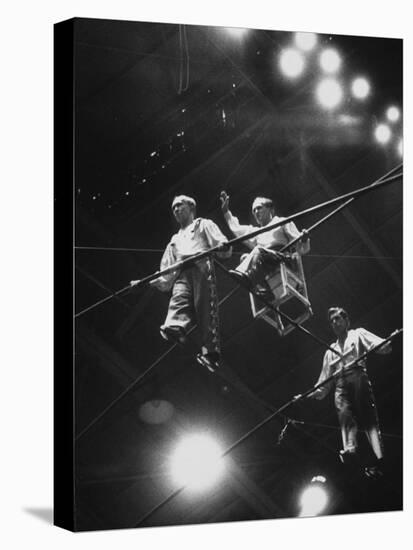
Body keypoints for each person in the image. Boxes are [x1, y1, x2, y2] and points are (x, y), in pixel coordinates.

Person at [132, 195, 231, 372]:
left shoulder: (203, 224)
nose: (176, 209)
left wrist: (223, 246)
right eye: (174, 208)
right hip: (182, 272)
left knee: (205, 308)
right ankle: (175, 327)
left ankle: (210, 353)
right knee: (178, 299)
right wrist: (145, 282)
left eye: (180, 205)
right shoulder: (174, 240)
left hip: (201, 266)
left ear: (191, 208)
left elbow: (221, 243)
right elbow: (165, 272)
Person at [311, 307, 392, 478]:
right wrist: (312, 394)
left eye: (338, 318)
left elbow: (377, 344)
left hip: (357, 375)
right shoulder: (329, 351)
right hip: (340, 382)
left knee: (368, 418)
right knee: (344, 414)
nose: (335, 322)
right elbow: (324, 381)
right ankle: (350, 448)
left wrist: (387, 342)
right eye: (332, 320)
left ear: (347, 321)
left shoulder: (357, 334)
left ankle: (379, 457)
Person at [220, 191, 310, 298]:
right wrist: (226, 212)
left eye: (259, 208)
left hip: (282, 258)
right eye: (254, 210)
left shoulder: (281, 222)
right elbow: (238, 229)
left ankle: (245, 277)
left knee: (259, 251)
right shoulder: (257, 232)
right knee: (244, 257)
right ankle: (264, 289)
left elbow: (299, 245)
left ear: (270, 209)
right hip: (266, 262)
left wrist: (304, 240)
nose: (256, 212)